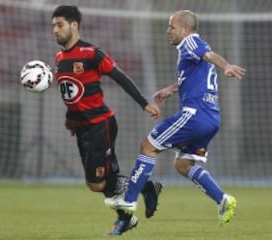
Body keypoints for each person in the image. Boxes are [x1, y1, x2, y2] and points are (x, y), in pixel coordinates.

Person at [105, 10, 246, 228]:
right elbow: (195, 76)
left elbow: (209, 55)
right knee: (183, 164)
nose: (168, 31)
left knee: (148, 146)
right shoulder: (191, 50)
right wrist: (171, 89)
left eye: (172, 26)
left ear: (185, 29)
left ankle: (129, 202)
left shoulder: (190, 42)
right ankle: (223, 200)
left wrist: (226, 65)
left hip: (194, 116)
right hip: (211, 119)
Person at [51, 5, 163, 235]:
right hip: (81, 127)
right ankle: (127, 217)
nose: (55, 29)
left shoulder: (91, 53)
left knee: (98, 182)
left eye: (59, 24)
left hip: (100, 124)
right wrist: (71, 119)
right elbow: (70, 95)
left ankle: (144, 188)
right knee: (99, 183)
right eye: (53, 25)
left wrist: (144, 103)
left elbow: (120, 77)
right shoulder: (60, 57)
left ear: (74, 25)